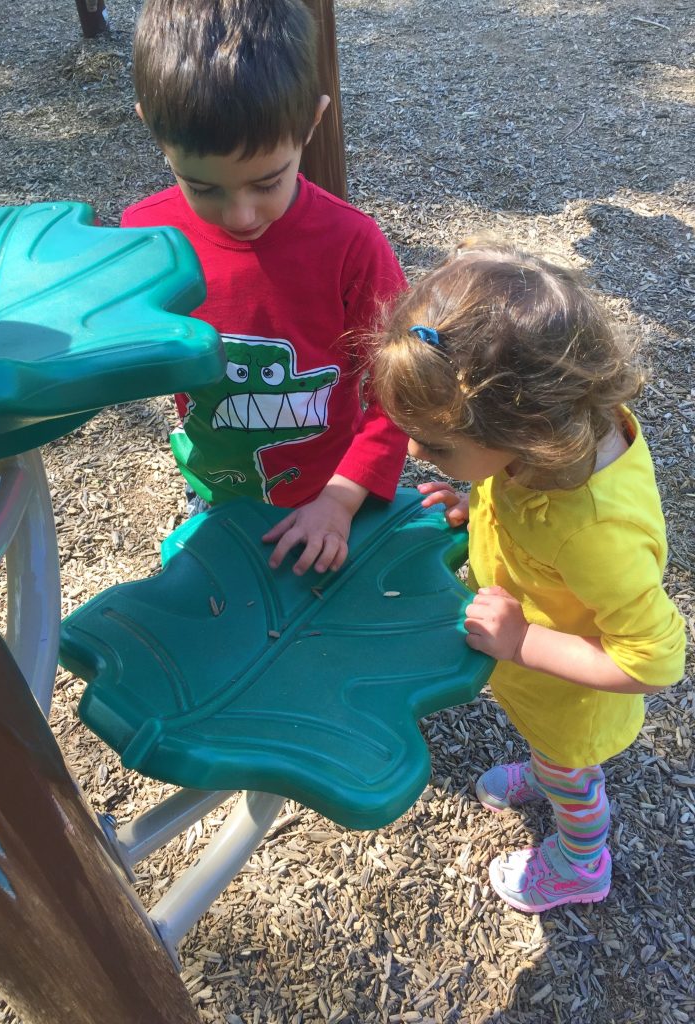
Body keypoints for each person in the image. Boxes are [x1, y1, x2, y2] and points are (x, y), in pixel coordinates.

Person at [369, 237, 686, 913]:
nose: (414, 453)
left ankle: (580, 862)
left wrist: (520, 644)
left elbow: (655, 662)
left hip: (570, 702)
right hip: (539, 684)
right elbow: (508, 485)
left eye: (436, 446)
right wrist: (473, 497)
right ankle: (546, 771)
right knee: (551, 759)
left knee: (571, 774)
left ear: (525, 430)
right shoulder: (551, 439)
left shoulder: (593, 530)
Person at [121, 0, 408, 576]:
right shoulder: (146, 236)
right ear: (152, 128)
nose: (241, 214)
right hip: (215, 484)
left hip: (329, 492)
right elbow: (106, 334)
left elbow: (400, 388)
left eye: (267, 182)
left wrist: (342, 498)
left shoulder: (350, 245)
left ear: (311, 122)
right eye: (203, 188)